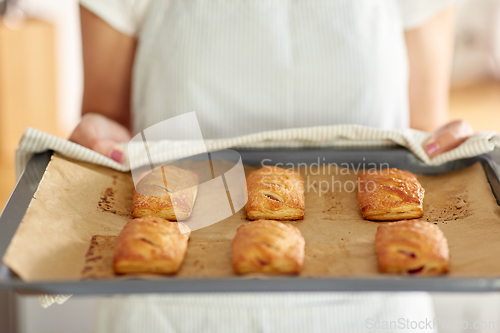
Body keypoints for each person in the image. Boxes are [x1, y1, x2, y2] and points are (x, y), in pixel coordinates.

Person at [70, 1, 473, 332]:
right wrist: (97, 137)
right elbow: (107, 116)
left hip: (376, 309)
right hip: (162, 310)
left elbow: (422, 131)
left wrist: (447, 144)